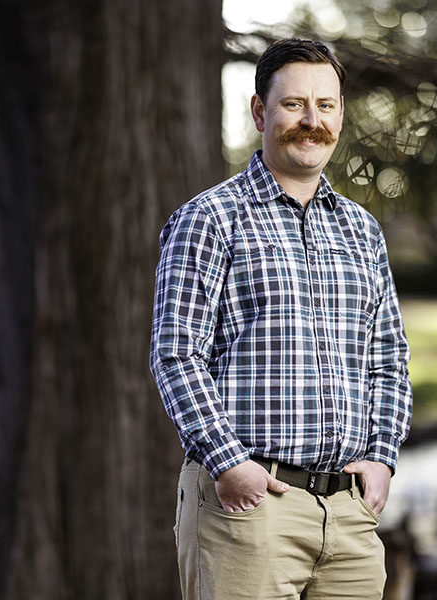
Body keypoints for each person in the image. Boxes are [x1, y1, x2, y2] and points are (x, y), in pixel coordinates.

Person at [149, 38, 413, 599]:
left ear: (340, 113)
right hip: (249, 508)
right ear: (259, 111)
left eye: (326, 105)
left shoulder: (363, 231)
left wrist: (382, 458)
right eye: (294, 104)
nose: (312, 121)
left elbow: (388, 359)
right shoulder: (209, 219)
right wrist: (230, 466)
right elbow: (176, 355)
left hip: (348, 518)